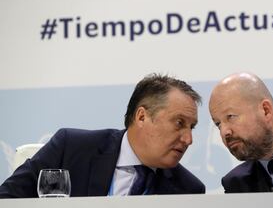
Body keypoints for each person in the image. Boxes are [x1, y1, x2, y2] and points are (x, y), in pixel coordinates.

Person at [0, 73, 205, 198]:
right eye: (179, 123)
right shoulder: (70, 149)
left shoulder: (188, 189)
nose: (188, 139)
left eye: (191, 127)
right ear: (142, 116)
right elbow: (7, 203)